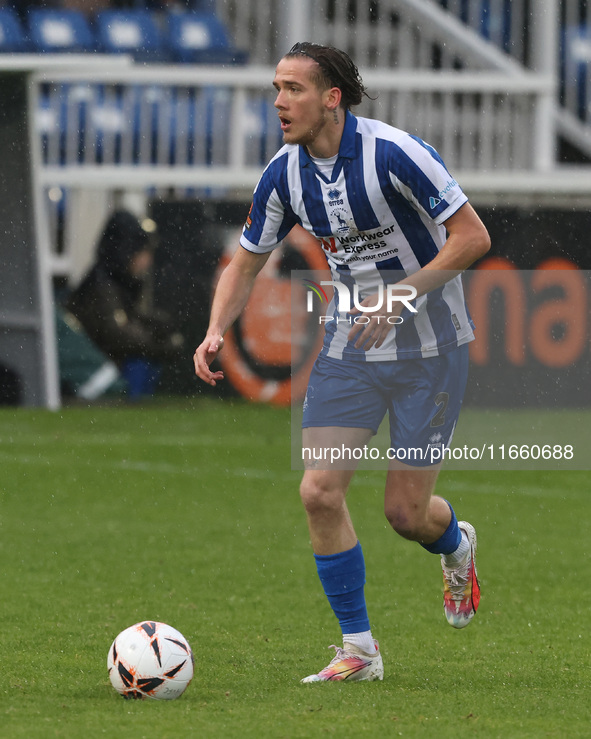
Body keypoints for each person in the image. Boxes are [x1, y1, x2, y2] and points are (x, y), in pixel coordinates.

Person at [194, 42, 491, 683]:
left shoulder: (395, 152)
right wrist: (216, 328)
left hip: (430, 351)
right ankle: (359, 651)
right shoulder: (283, 174)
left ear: (332, 98)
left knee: (406, 515)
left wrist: (402, 294)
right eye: (276, 88)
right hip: (348, 347)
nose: (278, 102)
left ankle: (457, 544)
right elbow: (246, 259)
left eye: (293, 89)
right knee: (318, 491)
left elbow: (473, 236)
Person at [67, 210, 183, 398]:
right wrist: (160, 344)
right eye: (143, 252)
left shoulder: (122, 282)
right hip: (92, 371)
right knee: (140, 362)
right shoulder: (101, 286)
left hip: (108, 363)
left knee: (145, 359)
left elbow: (130, 320)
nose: (147, 260)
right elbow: (117, 334)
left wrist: (159, 327)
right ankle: (130, 402)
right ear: (125, 250)